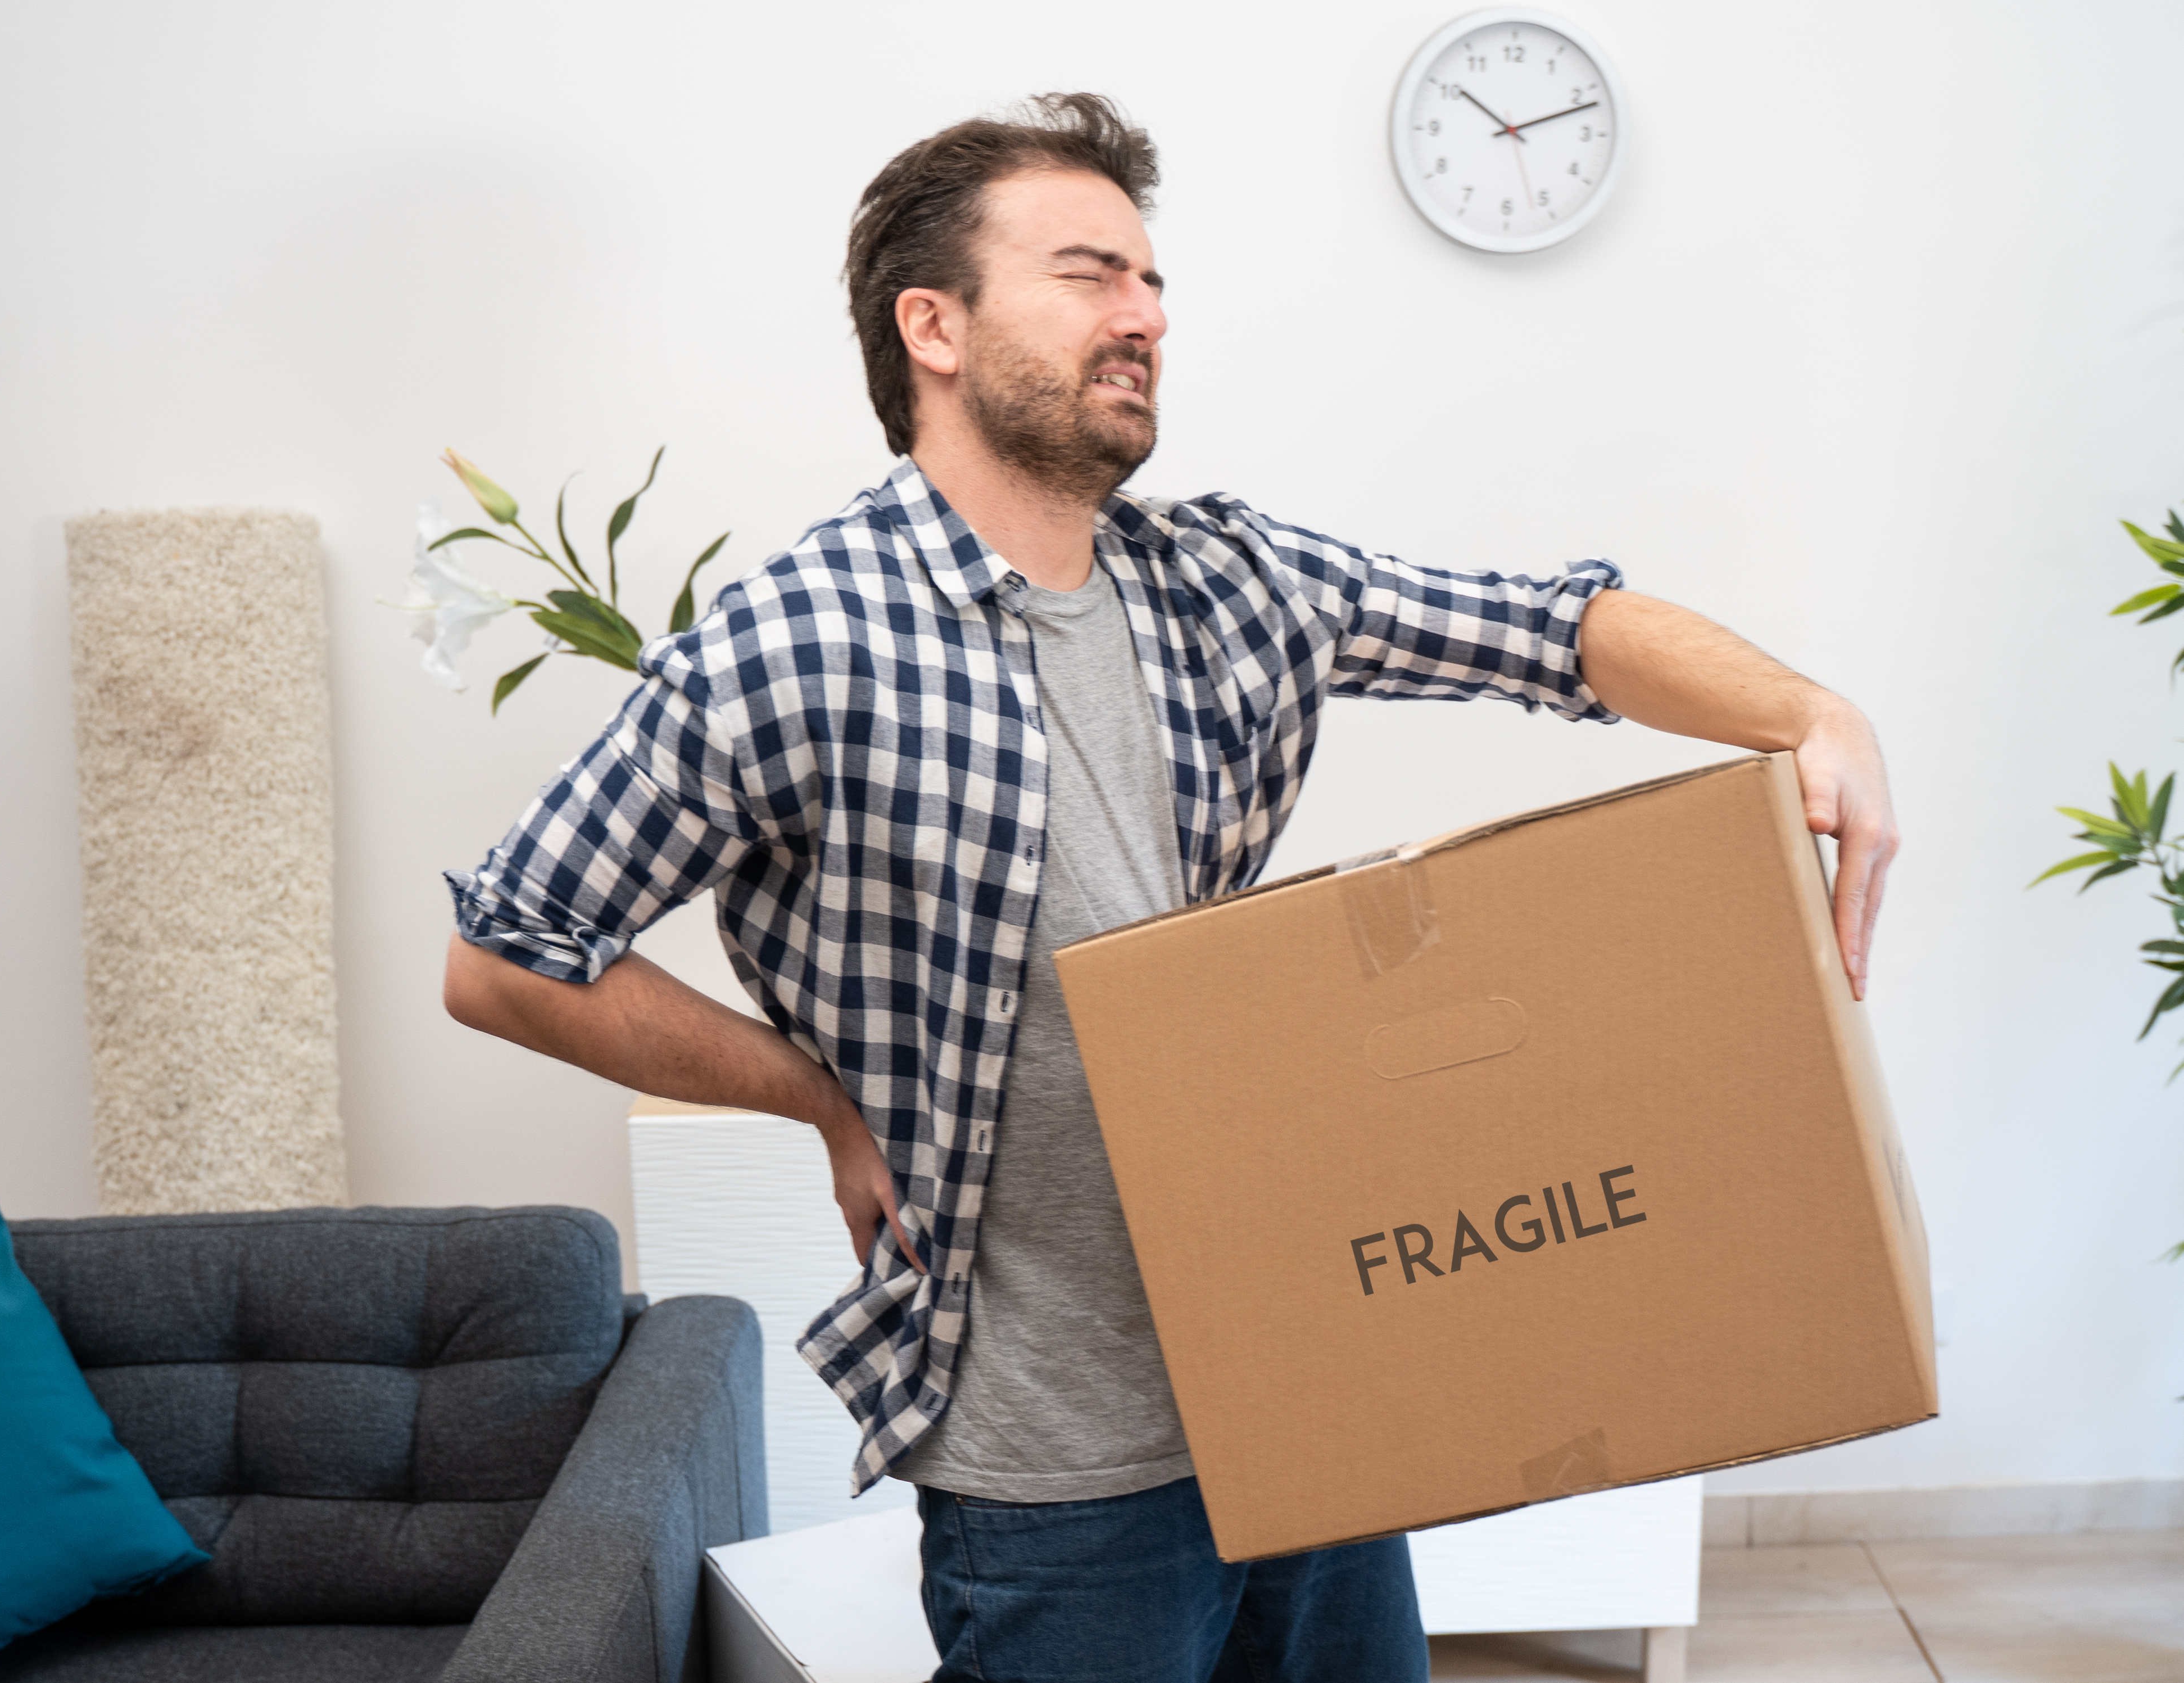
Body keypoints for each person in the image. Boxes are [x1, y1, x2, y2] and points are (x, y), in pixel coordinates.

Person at [442, 92, 1896, 1683]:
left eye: (1148, 283)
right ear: (933, 323)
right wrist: (813, 1095)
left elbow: (1554, 626)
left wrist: (1813, 716)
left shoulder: (1223, 580)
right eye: (1086, 274)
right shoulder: (797, 639)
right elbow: (508, 949)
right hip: (1050, 1460)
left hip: (1306, 1383)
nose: (1141, 316)